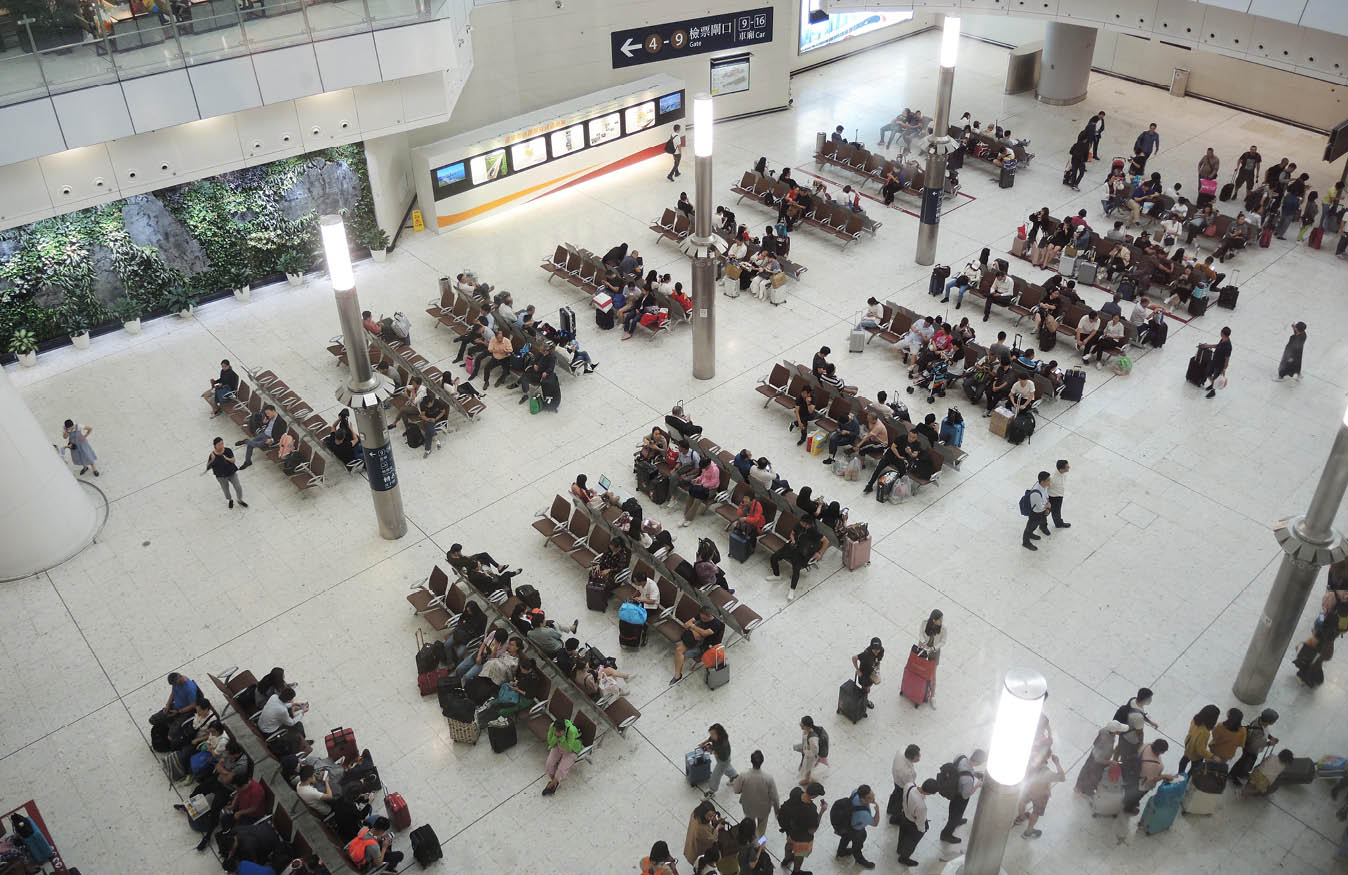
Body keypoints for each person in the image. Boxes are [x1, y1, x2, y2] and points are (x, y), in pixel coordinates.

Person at [764, 516, 826, 600]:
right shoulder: (799, 525)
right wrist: (793, 540)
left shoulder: (814, 532)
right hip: (793, 547)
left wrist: (820, 553)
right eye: (801, 522)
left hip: (803, 553)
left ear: (808, 525)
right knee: (774, 557)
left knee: (796, 570)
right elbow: (792, 533)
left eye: (803, 523)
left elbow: (826, 541)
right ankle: (776, 575)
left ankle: (792, 590)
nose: (800, 523)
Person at [939, 749, 985, 843]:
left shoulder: (960, 756)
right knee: (953, 818)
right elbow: (966, 795)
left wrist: (973, 773)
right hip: (959, 799)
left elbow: (959, 770)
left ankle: (957, 820)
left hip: (954, 790)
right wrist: (977, 785)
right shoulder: (968, 780)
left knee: (954, 815)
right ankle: (945, 835)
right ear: (978, 762)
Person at [732, 750, 780, 838]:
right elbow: (775, 797)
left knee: (750, 826)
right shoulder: (768, 778)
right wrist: (777, 811)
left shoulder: (743, 776)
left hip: (748, 807)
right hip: (764, 809)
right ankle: (760, 845)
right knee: (761, 830)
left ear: (751, 761)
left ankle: (751, 839)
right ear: (762, 762)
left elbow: (736, 790)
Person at [780, 782, 825, 875]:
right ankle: (796, 872)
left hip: (790, 830)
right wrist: (822, 811)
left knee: (789, 845)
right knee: (800, 854)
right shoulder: (811, 810)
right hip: (802, 838)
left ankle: (786, 859)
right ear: (814, 796)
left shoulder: (795, 792)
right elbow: (812, 830)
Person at [1016, 754, 1065, 839]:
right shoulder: (1046, 772)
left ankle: (1021, 817)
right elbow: (1062, 778)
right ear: (1047, 757)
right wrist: (1057, 763)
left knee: (1022, 801)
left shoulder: (1028, 762)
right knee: (1036, 812)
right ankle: (1028, 832)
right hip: (1040, 795)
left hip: (1027, 788)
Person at [671, 605, 724, 684]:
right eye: (701, 617)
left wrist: (692, 626)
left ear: (710, 616)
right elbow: (686, 624)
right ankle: (677, 676)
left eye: (704, 619)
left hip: (705, 646)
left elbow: (704, 633)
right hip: (694, 640)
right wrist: (695, 631)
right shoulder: (700, 614)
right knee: (679, 650)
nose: (702, 619)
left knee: (683, 653)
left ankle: (678, 674)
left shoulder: (716, 623)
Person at [1075, 721, 1128, 796]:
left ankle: (1080, 787)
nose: (1120, 732)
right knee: (1092, 777)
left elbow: (1096, 744)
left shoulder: (1105, 730)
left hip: (1096, 755)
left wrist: (1112, 751)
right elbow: (1098, 760)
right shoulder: (1106, 741)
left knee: (1087, 772)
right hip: (1097, 762)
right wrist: (1111, 762)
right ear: (1114, 732)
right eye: (1119, 731)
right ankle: (1086, 792)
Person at [1229, 709, 1280, 787]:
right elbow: (1256, 744)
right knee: (1243, 763)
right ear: (1267, 722)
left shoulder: (1260, 721)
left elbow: (1266, 732)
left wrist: (1271, 737)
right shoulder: (1257, 730)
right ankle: (1233, 776)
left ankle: (1243, 773)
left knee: (1248, 763)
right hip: (1250, 750)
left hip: (1253, 750)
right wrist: (1270, 743)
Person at [834, 785, 878, 869]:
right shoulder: (863, 814)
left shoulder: (855, 792)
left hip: (846, 824)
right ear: (862, 799)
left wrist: (870, 800)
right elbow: (875, 823)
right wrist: (877, 811)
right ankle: (859, 859)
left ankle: (841, 852)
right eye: (870, 798)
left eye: (873, 795)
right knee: (858, 844)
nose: (873, 799)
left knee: (845, 838)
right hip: (856, 830)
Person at [895, 779, 937, 867]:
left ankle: (899, 849)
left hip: (904, 816)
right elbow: (920, 824)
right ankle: (903, 858)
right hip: (912, 824)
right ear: (929, 793)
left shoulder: (909, 785)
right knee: (910, 843)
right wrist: (922, 831)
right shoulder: (921, 807)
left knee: (902, 835)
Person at [237, 405, 284, 469]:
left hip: (269, 438)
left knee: (257, 444)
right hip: (263, 433)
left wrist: (272, 440)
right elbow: (266, 426)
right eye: (266, 413)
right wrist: (264, 423)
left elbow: (281, 434)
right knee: (250, 445)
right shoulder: (269, 417)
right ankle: (248, 461)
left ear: (273, 411)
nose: (267, 415)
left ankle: (246, 441)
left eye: (268, 413)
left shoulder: (281, 422)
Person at [1178, 704, 1220, 775]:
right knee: (1194, 768)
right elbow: (1200, 750)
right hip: (1196, 755)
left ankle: (1179, 775)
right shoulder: (1205, 732)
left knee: (1184, 761)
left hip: (1188, 746)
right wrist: (1212, 756)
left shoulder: (1195, 719)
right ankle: (1186, 779)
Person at [699, 723, 739, 798]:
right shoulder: (718, 737)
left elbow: (714, 752)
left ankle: (711, 791)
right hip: (724, 758)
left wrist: (708, 750)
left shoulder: (722, 745)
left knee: (715, 775)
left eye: (712, 734)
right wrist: (704, 743)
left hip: (723, 760)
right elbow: (710, 739)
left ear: (719, 734)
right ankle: (735, 777)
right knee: (727, 768)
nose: (711, 735)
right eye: (710, 733)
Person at [205, 437, 247, 509]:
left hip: (231, 473)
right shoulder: (212, 455)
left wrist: (226, 458)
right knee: (225, 489)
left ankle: (240, 500)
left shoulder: (228, 450)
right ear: (215, 446)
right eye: (219, 444)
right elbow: (208, 467)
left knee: (238, 487)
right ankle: (230, 500)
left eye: (222, 443)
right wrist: (212, 460)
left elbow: (233, 460)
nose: (222, 445)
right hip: (221, 476)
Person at [1199, 326, 1232, 399]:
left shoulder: (1228, 346)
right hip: (1214, 360)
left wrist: (1224, 369)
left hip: (1220, 365)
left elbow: (1227, 359)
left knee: (1216, 377)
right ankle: (1213, 384)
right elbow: (1218, 346)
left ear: (1223, 333)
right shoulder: (1223, 340)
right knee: (1208, 373)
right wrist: (1208, 346)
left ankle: (1213, 391)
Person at [684, 801, 721, 865]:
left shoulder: (695, 814)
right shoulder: (701, 828)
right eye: (710, 816)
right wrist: (717, 828)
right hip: (697, 852)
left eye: (713, 815)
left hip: (690, 844)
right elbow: (712, 839)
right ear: (703, 814)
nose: (712, 818)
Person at [851, 637, 884, 710]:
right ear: (871, 647)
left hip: (871, 672)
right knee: (866, 689)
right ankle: (863, 701)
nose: (876, 651)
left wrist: (877, 667)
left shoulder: (881, 650)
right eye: (874, 650)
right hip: (864, 675)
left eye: (878, 649)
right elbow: (854, 658)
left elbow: (878, 660)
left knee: (868, 689)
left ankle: (864, 700)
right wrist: (858, 670)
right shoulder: (866, 654)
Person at [1023, 471, 1052, 551]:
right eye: (1048, 480)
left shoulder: (1044, 486)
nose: (1050, 481)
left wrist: (1047, 502)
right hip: (1036, 513)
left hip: (1042, 510)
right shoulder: (1036, 493)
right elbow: (1039, 508)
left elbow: (1046, 495)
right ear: (1043, 481)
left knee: (1043, 520)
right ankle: (1026, 542)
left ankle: (1041, 528)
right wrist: (1047, 506)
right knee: (1030, 527)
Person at [793, 717, 824, 787]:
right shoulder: (806, 731)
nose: (800, 724)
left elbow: (815, 751)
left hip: (810, 757)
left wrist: (806, 752)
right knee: (806, 767)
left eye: (802, 724)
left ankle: (807, 779)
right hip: (806, 752)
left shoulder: (813, 738)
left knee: (808, 768)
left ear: (806, 726)